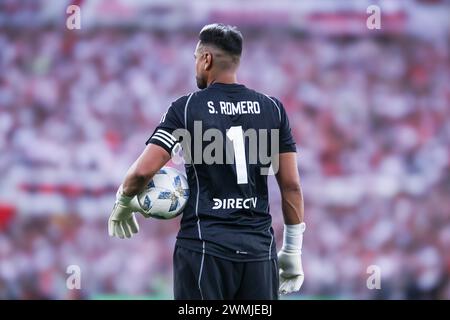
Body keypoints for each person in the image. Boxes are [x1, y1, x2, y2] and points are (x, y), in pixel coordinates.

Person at [108, 23, 306, 300]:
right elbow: (291, 186)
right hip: (259, 252)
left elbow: (142, 172)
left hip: (204, 247)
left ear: (207, 59)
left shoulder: (186, 108)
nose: (195, 66)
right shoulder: (273, 108)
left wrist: (123, 202)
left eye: (195, 58)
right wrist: (293, 250)